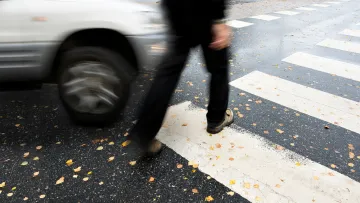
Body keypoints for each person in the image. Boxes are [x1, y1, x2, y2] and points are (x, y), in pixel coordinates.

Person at [129, 0, 233, 156]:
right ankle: (216, 119)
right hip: (205, 10)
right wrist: (219, 19)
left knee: (168, 72)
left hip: (177, 10)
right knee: (219, 68)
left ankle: (143, 134)